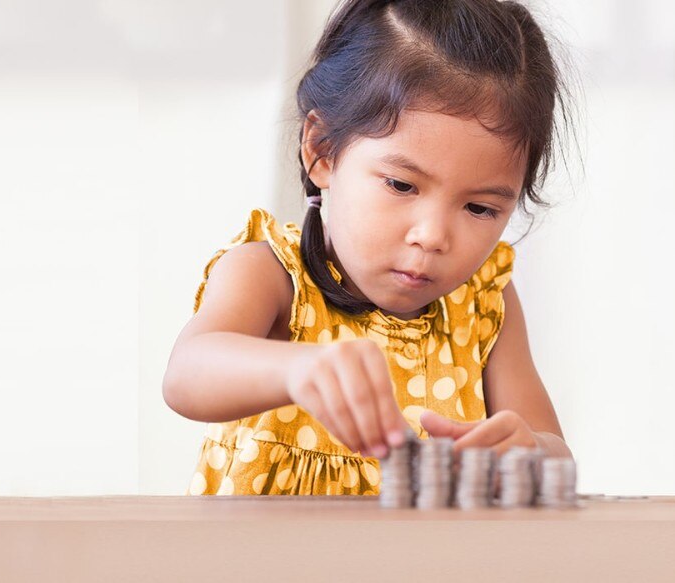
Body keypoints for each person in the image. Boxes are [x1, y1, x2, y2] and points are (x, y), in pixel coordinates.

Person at [163, 0, 575, 496]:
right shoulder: (271, 275)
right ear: (321, 151)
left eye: (480, 209)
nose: (433, 236)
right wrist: (298, 369)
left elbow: (556, 451)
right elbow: (187, 376)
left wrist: (529, 450)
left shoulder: (485, 308)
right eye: (402, 186)